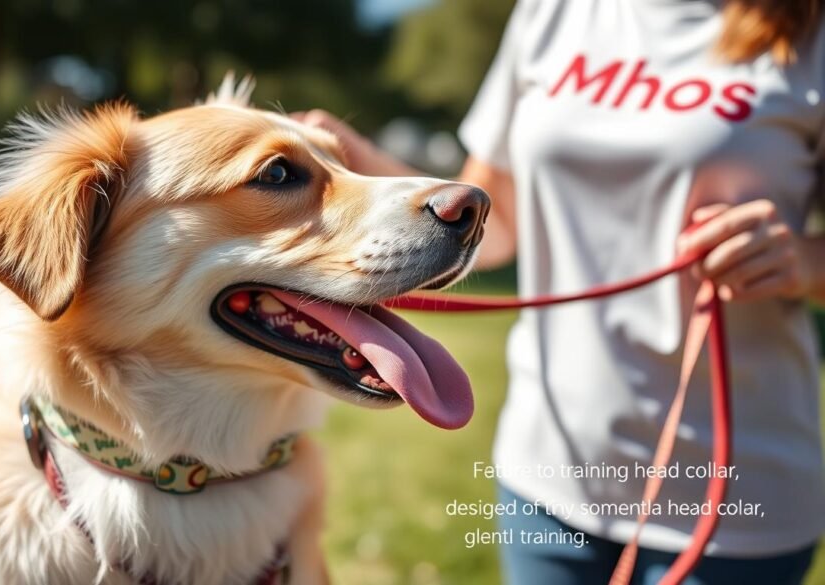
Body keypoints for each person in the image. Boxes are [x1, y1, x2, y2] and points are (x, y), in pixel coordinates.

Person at [295, 0, 825, 583]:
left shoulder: (812, 31)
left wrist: (799, 259)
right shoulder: (556, 11)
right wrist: (356, 154)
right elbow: (492, 225)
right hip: (547, 476)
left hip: (736, 504)